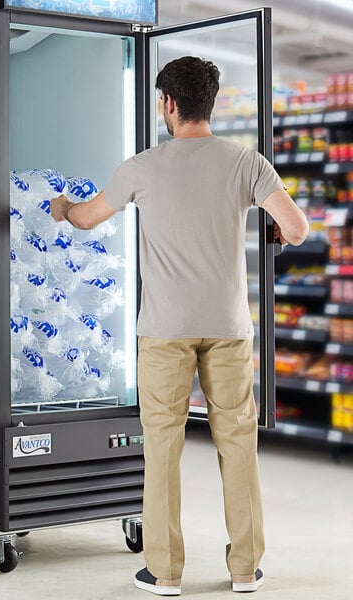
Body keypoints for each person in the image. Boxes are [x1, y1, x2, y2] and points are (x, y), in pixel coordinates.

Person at [49, 55, 309, 596]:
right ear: (209, 103)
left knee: (161, 447)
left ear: (168, 104)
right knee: (237, 443)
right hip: (230, 328)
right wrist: (278, 237)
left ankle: (165, 572)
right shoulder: (246, 162)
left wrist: (60, 208)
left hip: (164, 329)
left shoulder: (142, 166)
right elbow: (298, 227)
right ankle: (244, 570)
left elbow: (88, 218)